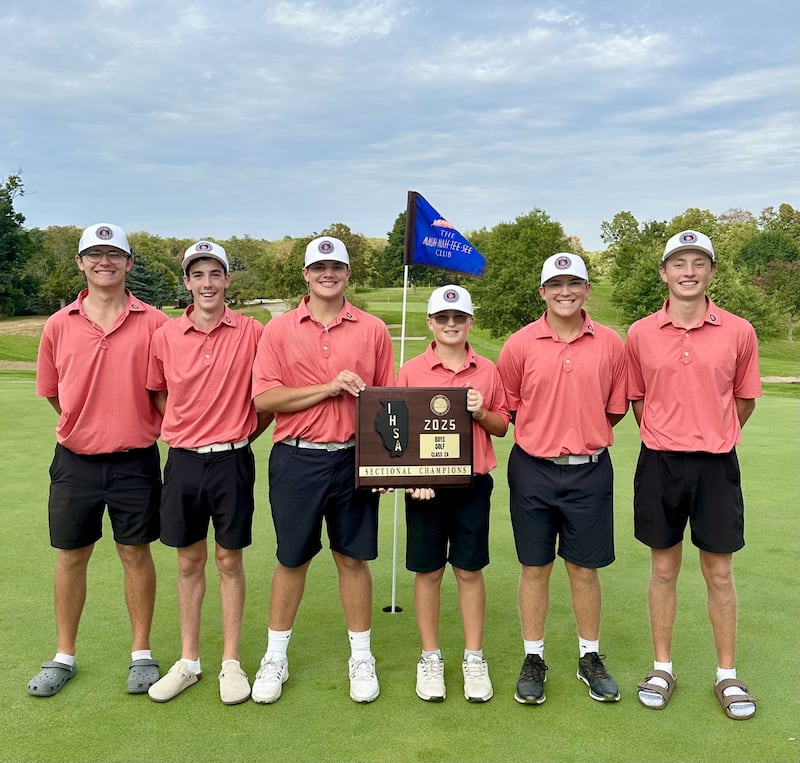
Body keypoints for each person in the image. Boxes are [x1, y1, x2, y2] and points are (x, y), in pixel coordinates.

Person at [250, 235, 395, 704]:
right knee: (292, 558)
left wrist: (390, 466)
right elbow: (266, 398)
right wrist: (329, 387)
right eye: (319, 267)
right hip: (296, 457)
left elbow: (388, 402)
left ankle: (362, 655)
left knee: (353, 559)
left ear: (348, 273)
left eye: (336, 267)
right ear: (306, 275)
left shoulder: (372, 329)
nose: (327, 274)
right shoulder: (279, 329)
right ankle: (275, 656)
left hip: (354, 458)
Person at [626, 230, 761, 720]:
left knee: (719, 573)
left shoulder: (739, 331)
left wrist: (710, 432)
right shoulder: (640, 332)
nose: (688, 271)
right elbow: (638, 398)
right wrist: (670, 434)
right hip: (661, 462)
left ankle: (727, 675)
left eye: (698, 262)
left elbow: (743, 399)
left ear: (711, 272)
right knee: (663, 569)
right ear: (664, 272)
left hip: (717, 465)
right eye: (678, 263)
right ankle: (662, 667)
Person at [29, 222, 167, 697]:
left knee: (135, 553)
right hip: (75, 461)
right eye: (94, 254)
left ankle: (141, 654)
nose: (104, 262)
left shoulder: (155, 323)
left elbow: (166, 392)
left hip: (136, 460)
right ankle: (64, 655)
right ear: (80, 263)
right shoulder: (57, 323)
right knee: (72, 556)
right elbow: (53, 393)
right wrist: (84, 425)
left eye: (114, 255)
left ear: (129, 263)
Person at [144, 241, 273, 705]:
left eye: (215, 274)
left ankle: (232, 663)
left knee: (229, 561)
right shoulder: (165, 335)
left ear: (227, 281)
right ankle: (189, 661)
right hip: (182, 461)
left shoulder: (254, 332)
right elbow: (158, 394)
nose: (207, 283)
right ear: (187, 282)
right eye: (197, 275)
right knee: (187, 561)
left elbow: (267, 400)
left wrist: (238, 436)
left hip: (233, 460)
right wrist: (184, 430)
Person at [496, 252, 627, 706]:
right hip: (532, 469)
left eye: (574, 283)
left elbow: (615, 407)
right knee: (535, 567)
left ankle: (589, 657)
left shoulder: (611, 343)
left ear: (587, 290)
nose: (565, 291)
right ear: (542, 292)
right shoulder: (519, 344)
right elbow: (510, 406)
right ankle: (533, 658)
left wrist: (580, 436)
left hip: (589, 471)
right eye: (556, 284)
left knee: (584, 568)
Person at [395, 285, 509, 703]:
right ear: (430, 323)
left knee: (469, 570)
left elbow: (501, 426)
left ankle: (474, 657)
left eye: (458, 317)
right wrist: (412, 476)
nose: (450, 324)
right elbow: (399, 435)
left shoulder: (488, 370)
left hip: (473, 483)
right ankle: (430, 657)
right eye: (442, 318)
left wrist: (480, 411)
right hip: (425, 488)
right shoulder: (410, 370)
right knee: (428, 572)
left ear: (469, 322)